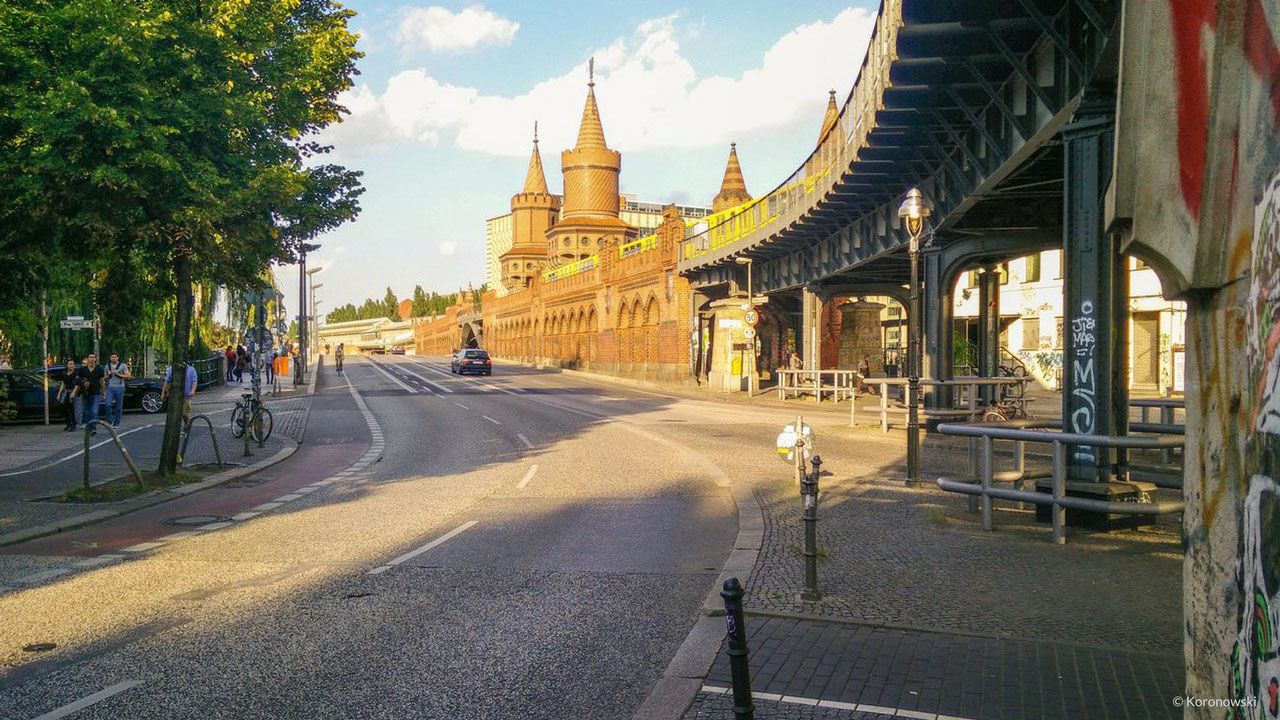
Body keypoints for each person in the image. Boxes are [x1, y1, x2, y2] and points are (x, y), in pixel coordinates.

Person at [74, 352, 107, 435]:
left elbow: (102, 381)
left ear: (95, 359)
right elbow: (77, 381)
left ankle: (93, 428)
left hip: (96, 393)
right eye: (90, 357)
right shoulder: (82, 369)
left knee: (94, 411)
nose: (92, 359)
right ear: (87, 359)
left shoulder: (99, 369)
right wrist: (82, 384)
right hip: (86, 393)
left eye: (93, 357)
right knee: (87, 411)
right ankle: (89, 426)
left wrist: (103, 392)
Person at [161, 360, 198, 425]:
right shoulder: (171, 369)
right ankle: (175, 428)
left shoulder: (191, 370)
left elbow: (194, 381)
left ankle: (187, 423)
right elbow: (166, 381)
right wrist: (163, 393)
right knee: (174, 413)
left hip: (186, 395)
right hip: (174, 395)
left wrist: (192, 391)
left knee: (184, 413)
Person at [104, 351, 130, 428]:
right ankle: (109, 420)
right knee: (107, 404)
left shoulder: (123, 365)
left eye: (115, 357)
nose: (113, 359)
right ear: (110, 358)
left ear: (118, 357)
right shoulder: (107, 366)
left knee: (118, 406)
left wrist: (117, 373)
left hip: (119, 387)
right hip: (109, 387)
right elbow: (103, 378)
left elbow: (127, 375)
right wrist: (109, 375)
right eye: (112, 357)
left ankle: (117, 422)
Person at [55, 359, 79, 431]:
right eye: (70, 364)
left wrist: (73, 393)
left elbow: (77, 384)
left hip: (72, 391)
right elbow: (63, 383)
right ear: (67, 365)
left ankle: (73, 425)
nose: (72, 365)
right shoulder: (65, 373)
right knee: (65, 408)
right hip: (66, 392)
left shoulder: (76, 373)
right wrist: (59, 394)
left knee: (71, 409)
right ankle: (68, 424)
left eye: (73, 364)